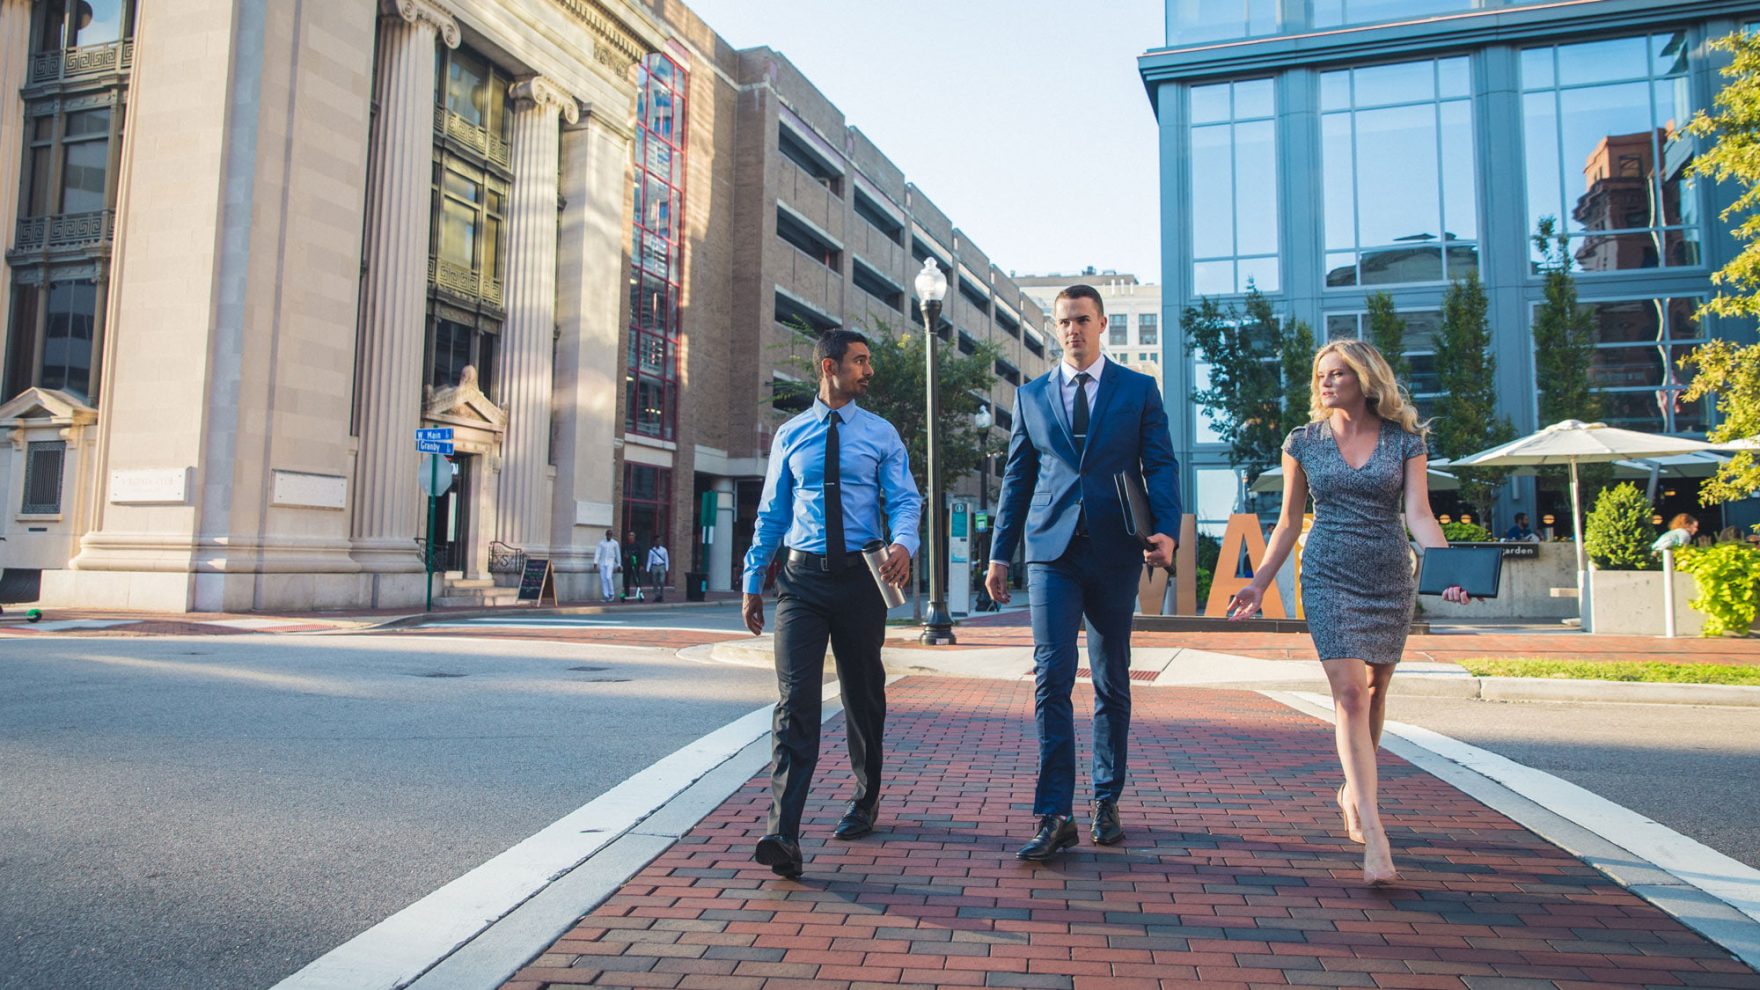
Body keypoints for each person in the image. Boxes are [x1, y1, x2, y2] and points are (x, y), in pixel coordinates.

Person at [1227, 339, 1471, 885]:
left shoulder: (1404, 441)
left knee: (1379, 689)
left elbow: (1419, 513)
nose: (1326, 382)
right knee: (1350, 694)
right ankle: (1376, 831)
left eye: (1338, 373)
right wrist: (1258, 582)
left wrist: (1448, 571)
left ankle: (1352, 789)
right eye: (1321, 374)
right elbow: (1289, 522)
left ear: (1365, 379)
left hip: (1388, 575)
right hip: (1329, 575)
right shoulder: (1302, 442)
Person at [984, 284, 1181, 863]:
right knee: (1051, 678)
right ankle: (1054, 813)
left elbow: (1160, 464)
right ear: (1056, 326)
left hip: (1117, 550)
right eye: (1064, 321)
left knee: (1111, 680)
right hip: (1051, 553)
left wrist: (1165, 528)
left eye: (1082, 320)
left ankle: (1105, 798)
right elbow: (1017, 480)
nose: (1073, 329)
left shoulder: (1138, 390)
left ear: (1102, 326)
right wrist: (1000, 554)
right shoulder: (1031, 396)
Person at [741, 329, 921, 880]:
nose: (869, 371)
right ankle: (783, 833)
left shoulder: (881, 434)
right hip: (801, 582)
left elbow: (905, 498)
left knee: (863, 693)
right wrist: (753, 578)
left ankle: (865, 799)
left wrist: (903, 542)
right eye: (859, 361)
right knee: (796, 702)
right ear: (829, 366)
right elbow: (772, 512)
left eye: (869, 360)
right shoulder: (791, 435)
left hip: (862, 580)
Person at [593, 529, 620, 603]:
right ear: (606, 535)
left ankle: (612, 594)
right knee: (603, 579)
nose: (609, 536)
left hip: (610, 562)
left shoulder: (615, 543)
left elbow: (618, 554)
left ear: (612, 535)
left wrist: (619, 564)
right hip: (602, 562)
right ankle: (606, 595)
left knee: (608, 577)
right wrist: (595, 562)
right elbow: (598, 552)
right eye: (608, 534)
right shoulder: (601, 543)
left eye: (610, 534)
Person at [621, 530, 643, 601]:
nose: (631, 537)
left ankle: (639, 592)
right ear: (628, 537)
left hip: (635, 564)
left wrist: (641, 565)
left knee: (636, 579)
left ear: (634, 537)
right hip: (627, 564)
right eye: (630, 535)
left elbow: (640, 555)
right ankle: (627, 593)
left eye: (632, 535)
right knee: (626, 579)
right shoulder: (625, 545)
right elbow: (622, 554)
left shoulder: (637, 545)